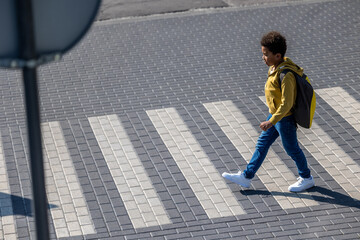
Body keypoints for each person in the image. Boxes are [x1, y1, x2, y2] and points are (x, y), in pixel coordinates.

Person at [222, 31, 315, 192]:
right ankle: (246, 176)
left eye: (266, 54)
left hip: (284, 119)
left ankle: (306, 178)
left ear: (278, 55)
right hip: (275, 116)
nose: (263, 58)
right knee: (262, 145)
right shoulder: (274, 67)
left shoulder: (286, 75)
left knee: (292, 149)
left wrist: (271, 121)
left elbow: (287, 103)